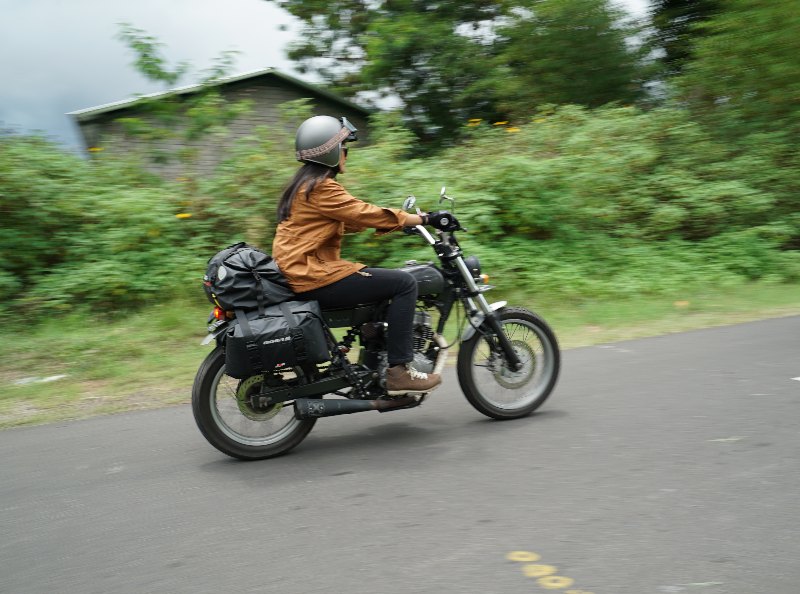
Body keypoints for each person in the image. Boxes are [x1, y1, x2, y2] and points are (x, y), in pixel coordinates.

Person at [272, 115, 459, 396]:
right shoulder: (321, 187)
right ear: (331, 151)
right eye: (344, 147)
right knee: (404, 283)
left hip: (300, 271)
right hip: (311, 275)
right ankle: (399, 371)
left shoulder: (304, 186)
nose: (347, 153)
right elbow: (362, 212)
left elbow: (348, 220)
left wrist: (398, 222)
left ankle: (374, 355)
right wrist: (423, 219)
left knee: (378, 282)